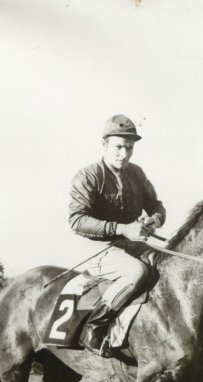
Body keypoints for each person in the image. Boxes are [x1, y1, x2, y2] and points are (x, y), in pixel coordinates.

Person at [69, 114, 166, 354]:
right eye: (119, 147)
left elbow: (156, 205)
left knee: (166, 263)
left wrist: (154, 221)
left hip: (130, 245)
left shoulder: (137, 173)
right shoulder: (88, 175)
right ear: (104, 145)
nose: (124, 154)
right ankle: (94, 327)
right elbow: (76, 220)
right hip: (96, 248)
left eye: (129, 148)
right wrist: (123, 228)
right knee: (137, 271)